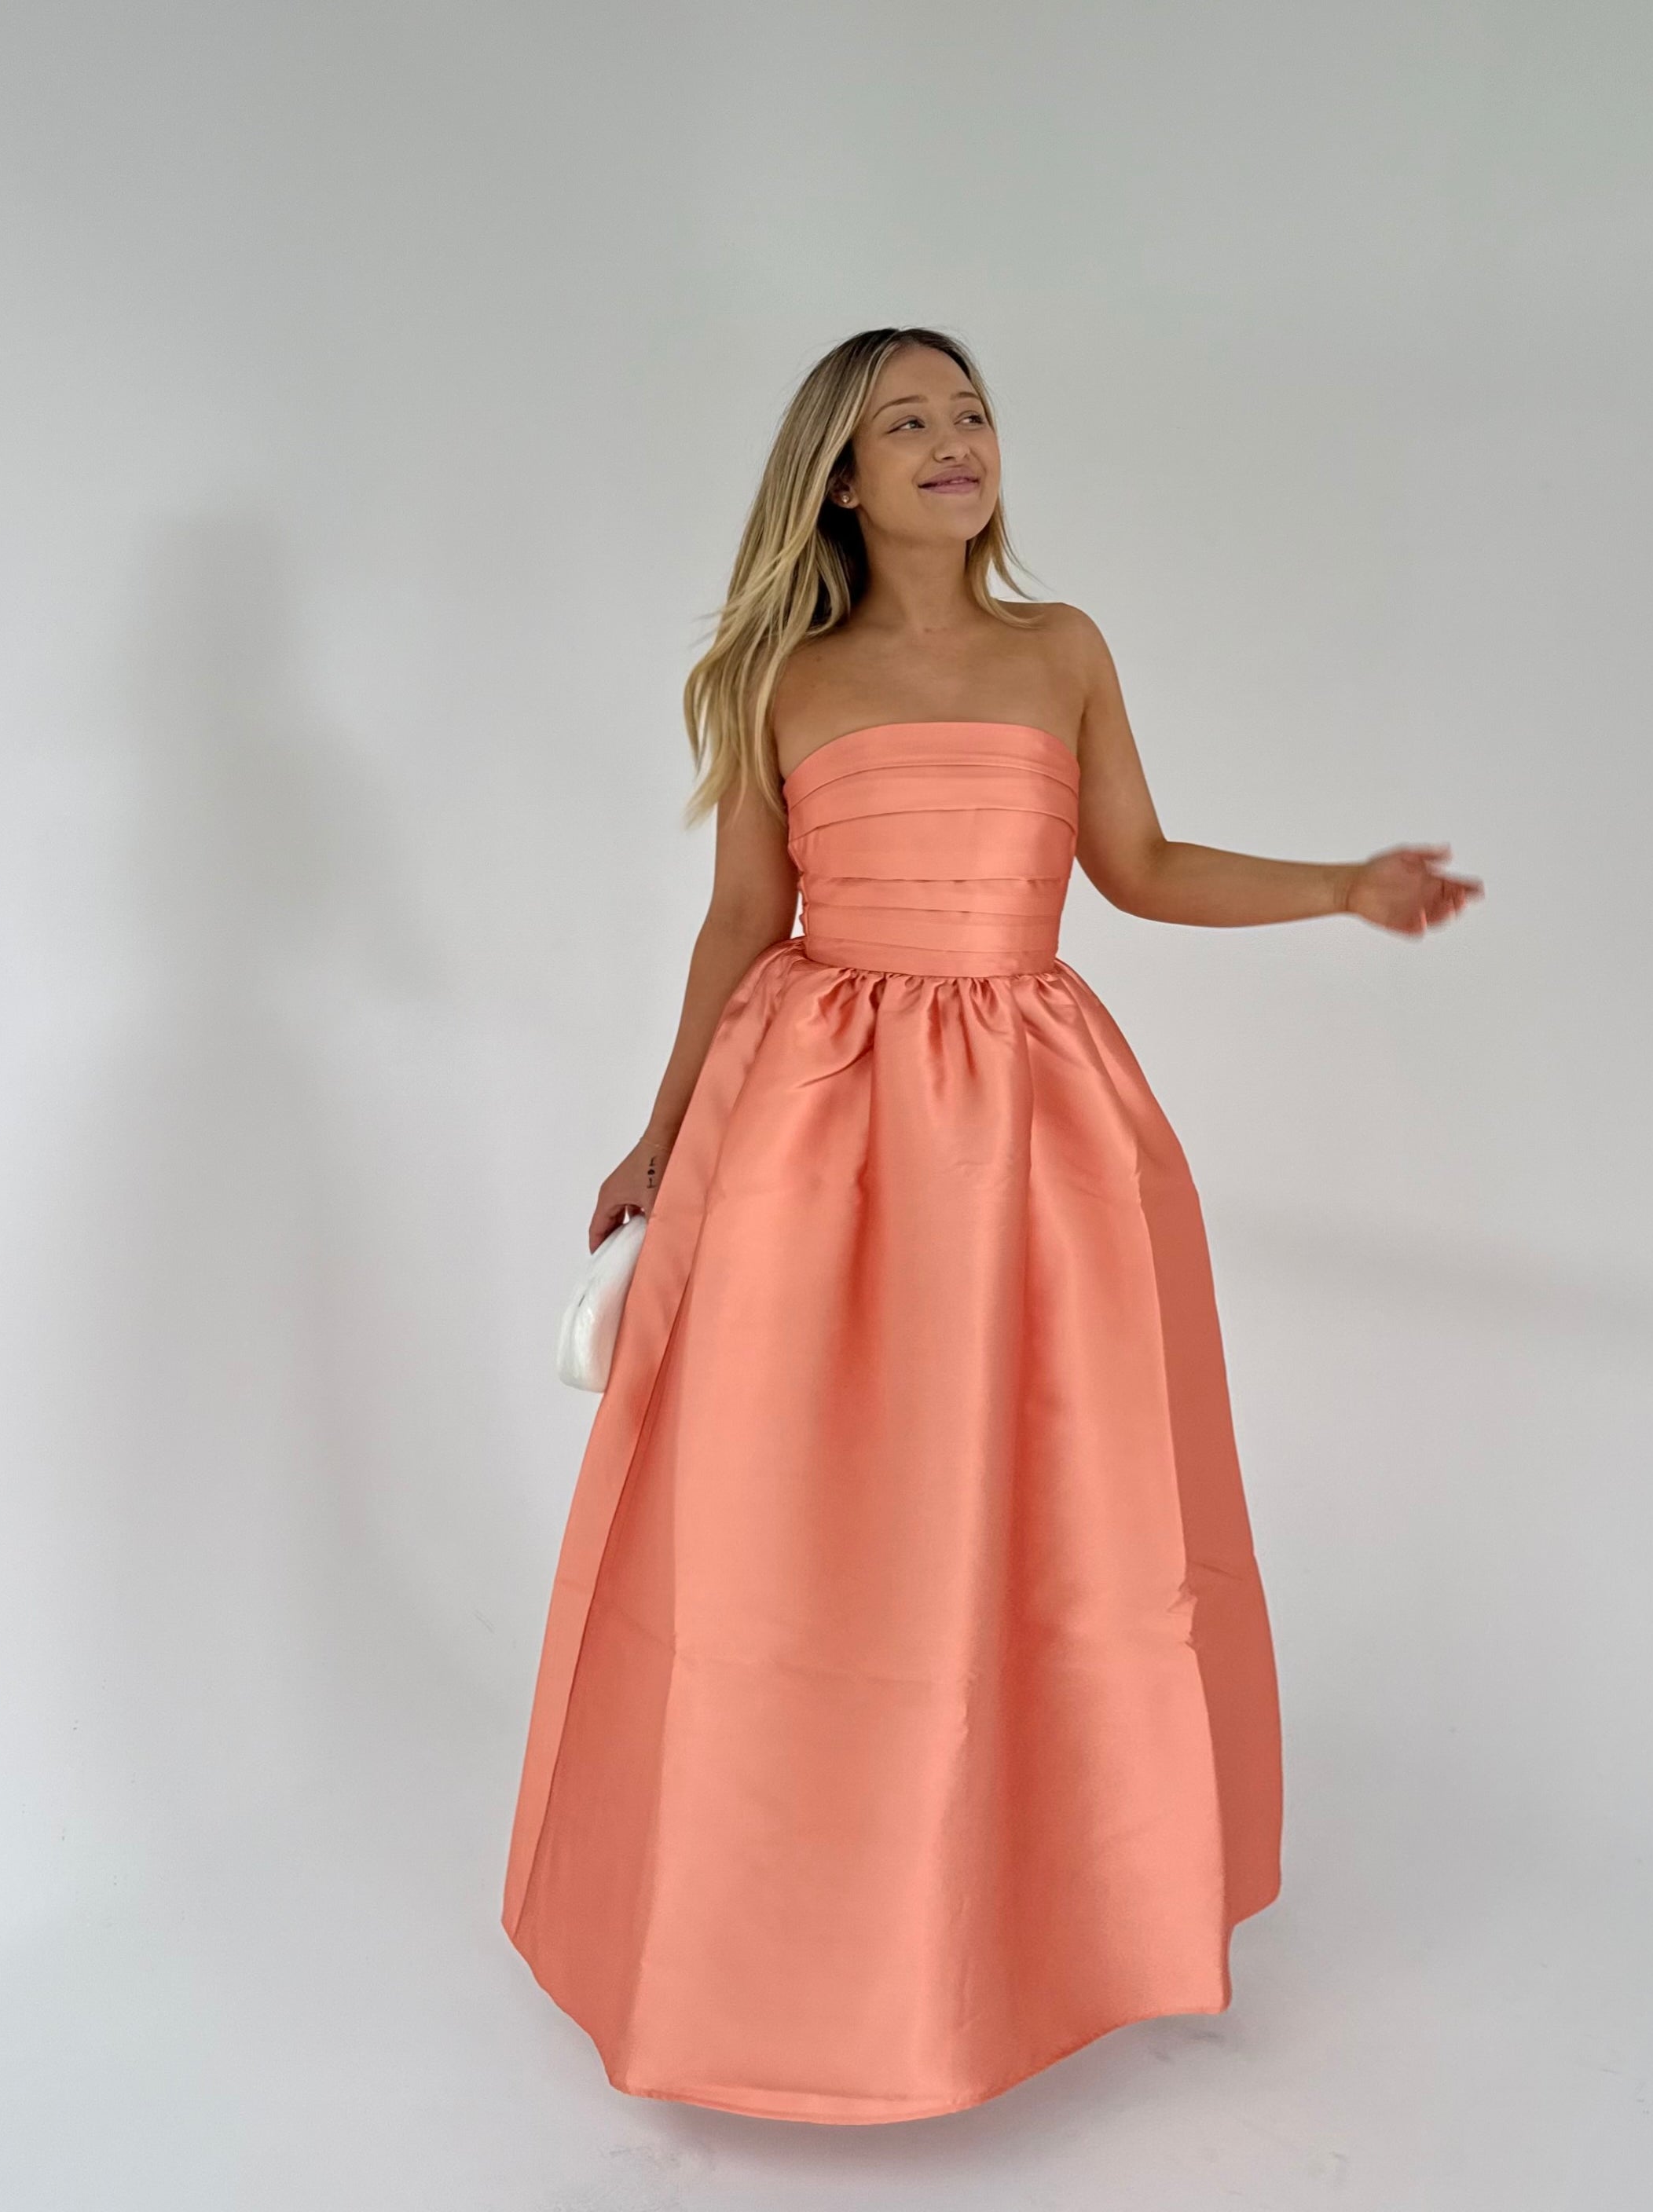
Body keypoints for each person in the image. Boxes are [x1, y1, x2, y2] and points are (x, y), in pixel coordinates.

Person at [501, 325, 1481, 2126]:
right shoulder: (782, 679)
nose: (955, 441)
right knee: (801, 1500)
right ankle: (779, 1935)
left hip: (1031, 1119)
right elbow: (740, 922)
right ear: (840, 479)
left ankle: (1029, 1914)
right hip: (815, 1119)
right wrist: (659, 1133)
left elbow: (1139, 867)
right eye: (908, 422)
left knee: (1039, 1499)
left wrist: (1340, 886)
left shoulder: (1062, 649)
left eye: (970, 413)